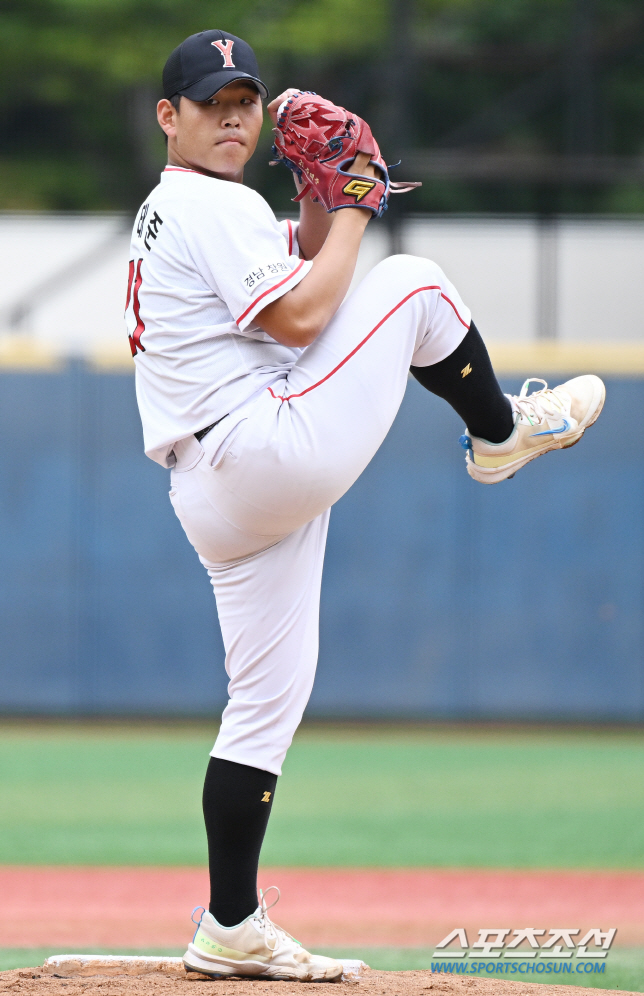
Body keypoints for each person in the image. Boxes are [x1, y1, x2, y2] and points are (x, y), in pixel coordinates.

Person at [125, 28, 606, 982]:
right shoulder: (200, 201)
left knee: (263, 708)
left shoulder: (206, 206)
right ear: (167, 119)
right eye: (210, 103)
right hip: (260, 445)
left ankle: (230, 923)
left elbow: (296, 279)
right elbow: (305, 317)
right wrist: (354, 208)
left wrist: (318, 204)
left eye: (244, 101)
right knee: (414, 283)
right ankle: (502, 429)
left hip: (216, 489)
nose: (233, 116)